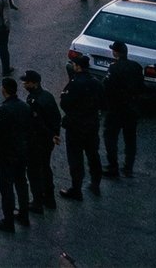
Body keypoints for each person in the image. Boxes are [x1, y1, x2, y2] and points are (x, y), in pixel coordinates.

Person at [0, 78, 31, 232]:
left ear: (4, 90)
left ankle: (8, 220)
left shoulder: (3, 110)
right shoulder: (25, 107)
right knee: (21, 182)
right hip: (22, 150)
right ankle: (24, 214)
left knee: (6, 187)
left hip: (7, 152)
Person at [58, 53, 104, 199]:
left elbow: (64, 102)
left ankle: (76, 188)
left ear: (78, 67)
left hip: (76, 125)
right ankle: (95, 183)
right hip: (91, 124)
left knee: (75, 158)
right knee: (93, 154)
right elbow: (104, 103)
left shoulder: (74, 83)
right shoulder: (96, 82)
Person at [21, 69, 61, 214]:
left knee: (34, 171)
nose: (25, 84)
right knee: (45, 168)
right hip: (47, 141)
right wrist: (55, 134)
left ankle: (37, 201)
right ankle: (49, 199)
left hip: (37, 141)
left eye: (27, 82)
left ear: (35, 83)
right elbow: (56, 117)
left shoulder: (33, 101)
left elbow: (36, 123)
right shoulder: (48, 96)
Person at [101, 40, 142, 178]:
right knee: (130, 139)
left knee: (110, 137)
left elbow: (107, 87)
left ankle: (113, 166)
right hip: (132, 108)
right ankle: (128, 167)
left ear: (116, 53)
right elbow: (140, 86)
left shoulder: (114, 68)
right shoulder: (136, 67)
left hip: (116, 109)